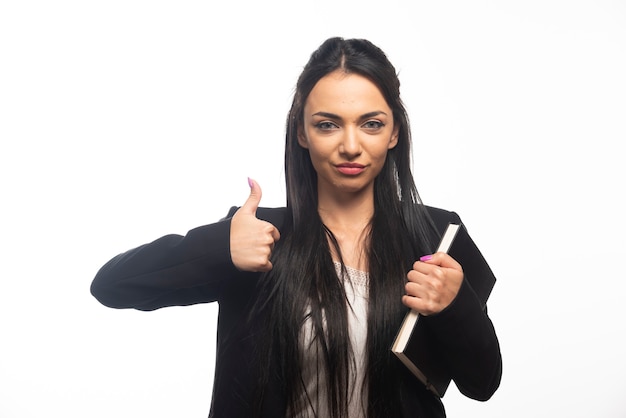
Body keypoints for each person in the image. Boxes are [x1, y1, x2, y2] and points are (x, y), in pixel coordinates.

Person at [91, 37, 502, 418]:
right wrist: (219, 248)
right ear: (302, 132)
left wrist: (454, 307)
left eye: (371, 124)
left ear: (394, 131)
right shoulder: (257, 237)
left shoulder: (435, 234)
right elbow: (111, 286)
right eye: (328, 124)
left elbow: (482, 384)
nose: (351, 145)